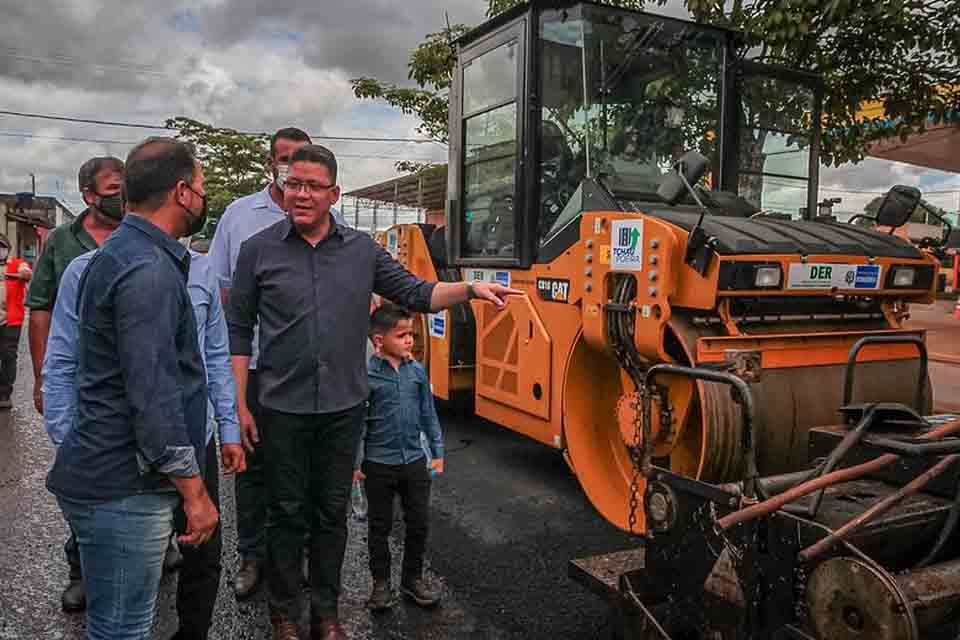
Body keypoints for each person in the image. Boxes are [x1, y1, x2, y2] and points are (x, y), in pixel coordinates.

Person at [227, 144, 518, 640]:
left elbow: (418, 293)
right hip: (280, 407)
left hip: (343, 408)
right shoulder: (259, 250)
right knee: (285, 512)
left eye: (312, 186)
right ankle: (283, 614)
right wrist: (237, 406)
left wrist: (470, 289)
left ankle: (326, 614)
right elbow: (237, 329)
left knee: (331, 515)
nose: (299, 193)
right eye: (292, 183)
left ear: (333, 194)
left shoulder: (361, 251)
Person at [46, 138, 219, 640]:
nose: (204, 197)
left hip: (115, 478)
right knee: (122, 629)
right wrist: (195, 492)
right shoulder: (146, 269)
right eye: (202, 186)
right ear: (183, 192)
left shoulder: (126, 253)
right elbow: (153, 391)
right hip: (125, 487)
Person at [42, 243, 245, 640]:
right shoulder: (86, 269)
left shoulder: (201, 272)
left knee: (203, 555)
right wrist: (69, 439)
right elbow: (63, 358)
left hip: (192, 437)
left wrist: (228, 427)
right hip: (124, 448)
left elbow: (216, 356)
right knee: (124, 588)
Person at [209, 126, 346, 600]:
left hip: (306, 375)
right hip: (254, 367)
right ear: (273, 165)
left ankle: (298, 556)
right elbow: (225, 292)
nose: (295, 174)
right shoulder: (239, 215)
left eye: (303, 165)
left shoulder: (328, 217)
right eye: (287, 162)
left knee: (301, 475)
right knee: (251, 465)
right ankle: (251, 556)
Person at [25, 156, 124, 612]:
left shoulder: (138, 234)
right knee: (81, 476)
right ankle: (81, 569)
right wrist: (44, 378)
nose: (120, 196)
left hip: (130, 380)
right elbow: (41, 308)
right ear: (89, 195)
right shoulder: (64, 243)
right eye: (112, 189)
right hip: (81, 382)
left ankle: (154, 544)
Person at [355, 304, 444, 612]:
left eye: (411, 334)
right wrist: (356, 463)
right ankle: (380, 584)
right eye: (402, 335)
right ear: (379, 341)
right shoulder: (366, 375)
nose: (409, 340)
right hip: (378, 464)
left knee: (418, 522)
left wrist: (437, 452)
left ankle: (412, 579)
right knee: (379, 527)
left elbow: (428, 414)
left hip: (414, 462)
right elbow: (360, 424)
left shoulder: (417, 371)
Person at [0, 247, 33, 409]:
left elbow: (26, 272)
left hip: (11, 320)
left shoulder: (16, 263)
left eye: (2, 247)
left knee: (8, 355)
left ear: (8, 250)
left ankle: (4, 394)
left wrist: (23, 274)